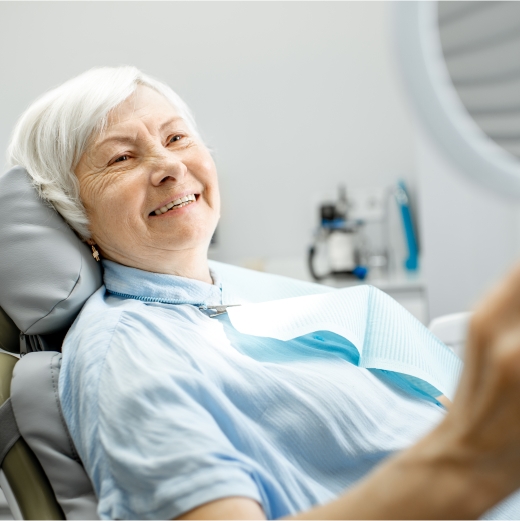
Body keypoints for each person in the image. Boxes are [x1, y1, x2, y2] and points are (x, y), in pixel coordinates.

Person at [7, 66, 520, 520]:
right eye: (121, 157)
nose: (169, 166)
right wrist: (468, 462)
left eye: (178, 138)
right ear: (73, 214)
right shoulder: (125, 353)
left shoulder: (229, 294)